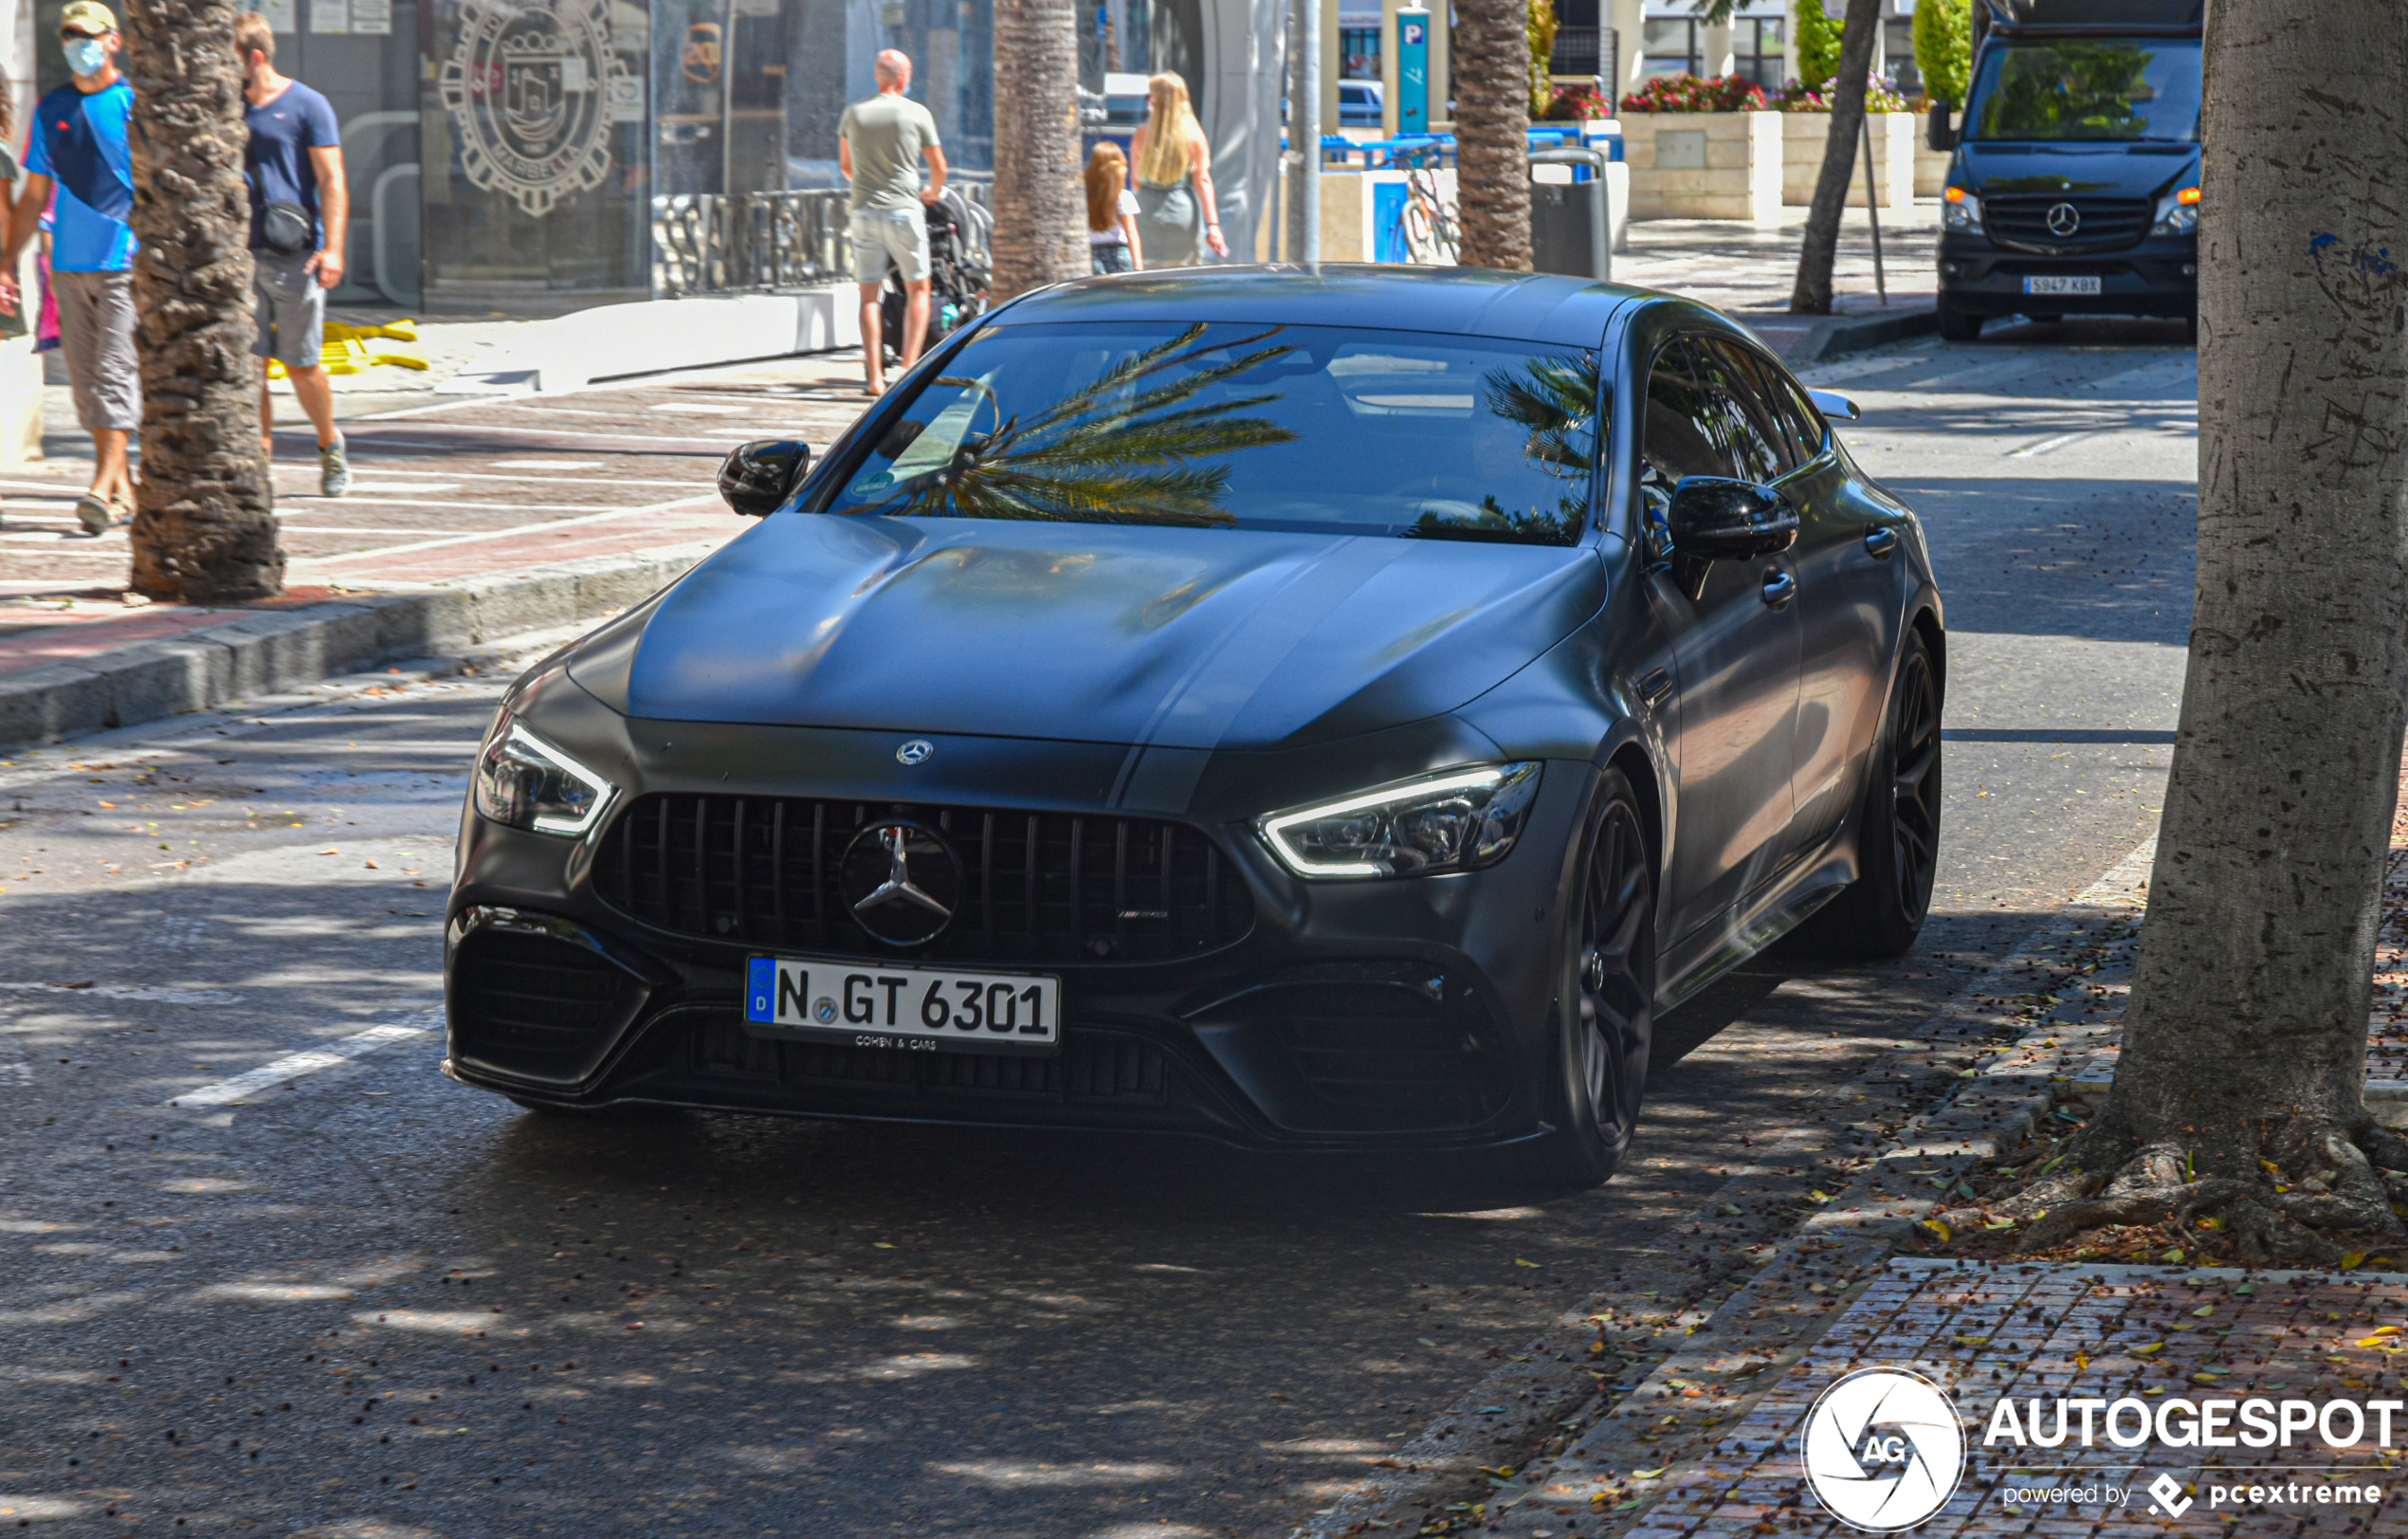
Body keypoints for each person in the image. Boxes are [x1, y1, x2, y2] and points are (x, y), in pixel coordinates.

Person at [1, 1, 137, 536]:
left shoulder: (133, 104)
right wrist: (8, 260)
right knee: (84, 388)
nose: (78, 43)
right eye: (69, 34)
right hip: (67, 266)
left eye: (88, 34)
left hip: (125, 262)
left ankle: (101, 487)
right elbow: (34, 194)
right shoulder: (51, 109)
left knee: (113, 374)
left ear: (113, 42)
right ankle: (124, 488)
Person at [236, 10, 349, 497]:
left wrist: (333, 249)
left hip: (295, 254)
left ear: (254, 58)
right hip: (237, 255)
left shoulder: (308, 105)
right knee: (249, 366)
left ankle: (330, 444)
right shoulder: (224, 106)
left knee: (303, 367)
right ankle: (260, 464)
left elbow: (332, 181)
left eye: (230, 60)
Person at [838, 49, 946, 397]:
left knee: (869, 295)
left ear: (876, 75)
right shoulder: (916, 113)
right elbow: (938, 166)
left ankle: (873, 379)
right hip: (903, 210)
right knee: (918, 289)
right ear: (903, 78)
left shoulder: (854, 114)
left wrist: (868, 185)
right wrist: (932, 191)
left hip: (864, 211)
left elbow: (846, 166)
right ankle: (906, 369)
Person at [1128, 72, 1226, 267]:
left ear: (1156, 100)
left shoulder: (1142, 133)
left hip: (1146, 211)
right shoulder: (1194, 137)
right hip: (1182, 213)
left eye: (1150, 95)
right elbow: (1202, 180)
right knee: (1182, 278)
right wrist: (1213, 225)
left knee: (1147, 279)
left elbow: (1136, 180)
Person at [1085, 142, 1142, 275]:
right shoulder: (1123, 197)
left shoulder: (1083, 196)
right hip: (1119, 254)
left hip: (1091, 255)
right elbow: (1131, 232)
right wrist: (1138, 266)